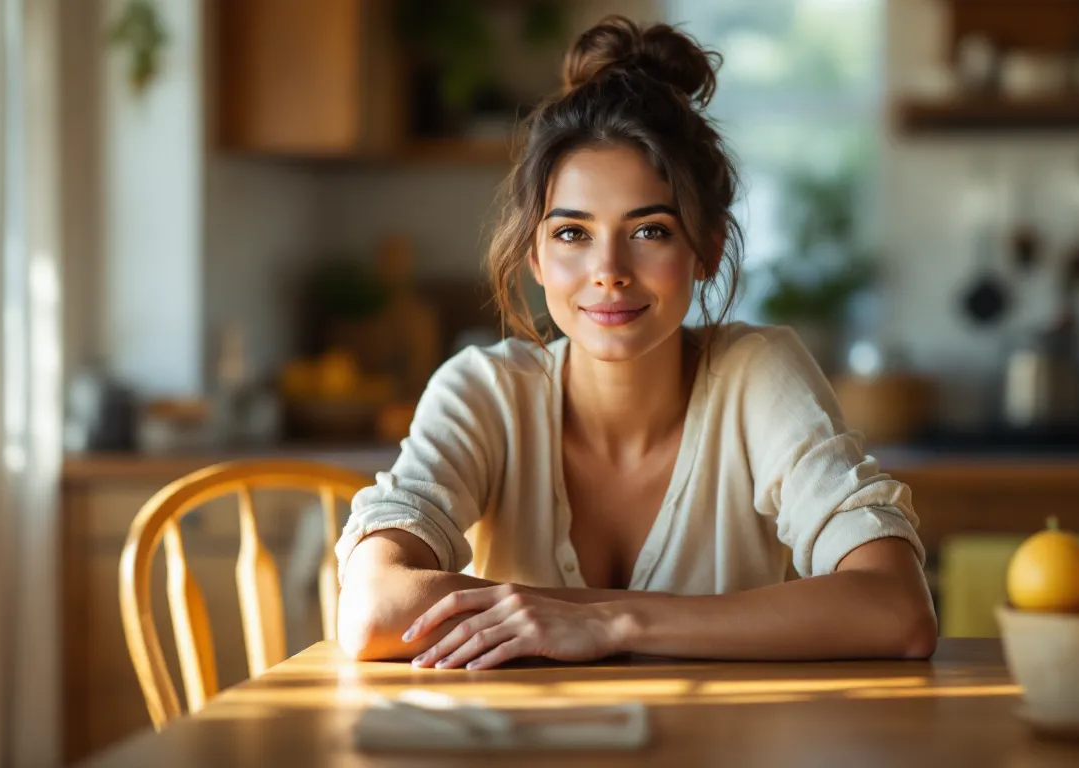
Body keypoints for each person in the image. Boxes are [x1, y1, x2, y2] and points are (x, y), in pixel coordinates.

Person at [335, 16, 936, 669]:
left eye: (649, 231)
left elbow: (897, 609)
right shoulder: (484, 390)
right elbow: (374, 610)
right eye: (572, 233)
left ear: (706, 249)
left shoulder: (757, 375)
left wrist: (609, 622)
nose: (608, 270)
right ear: (534, 255)